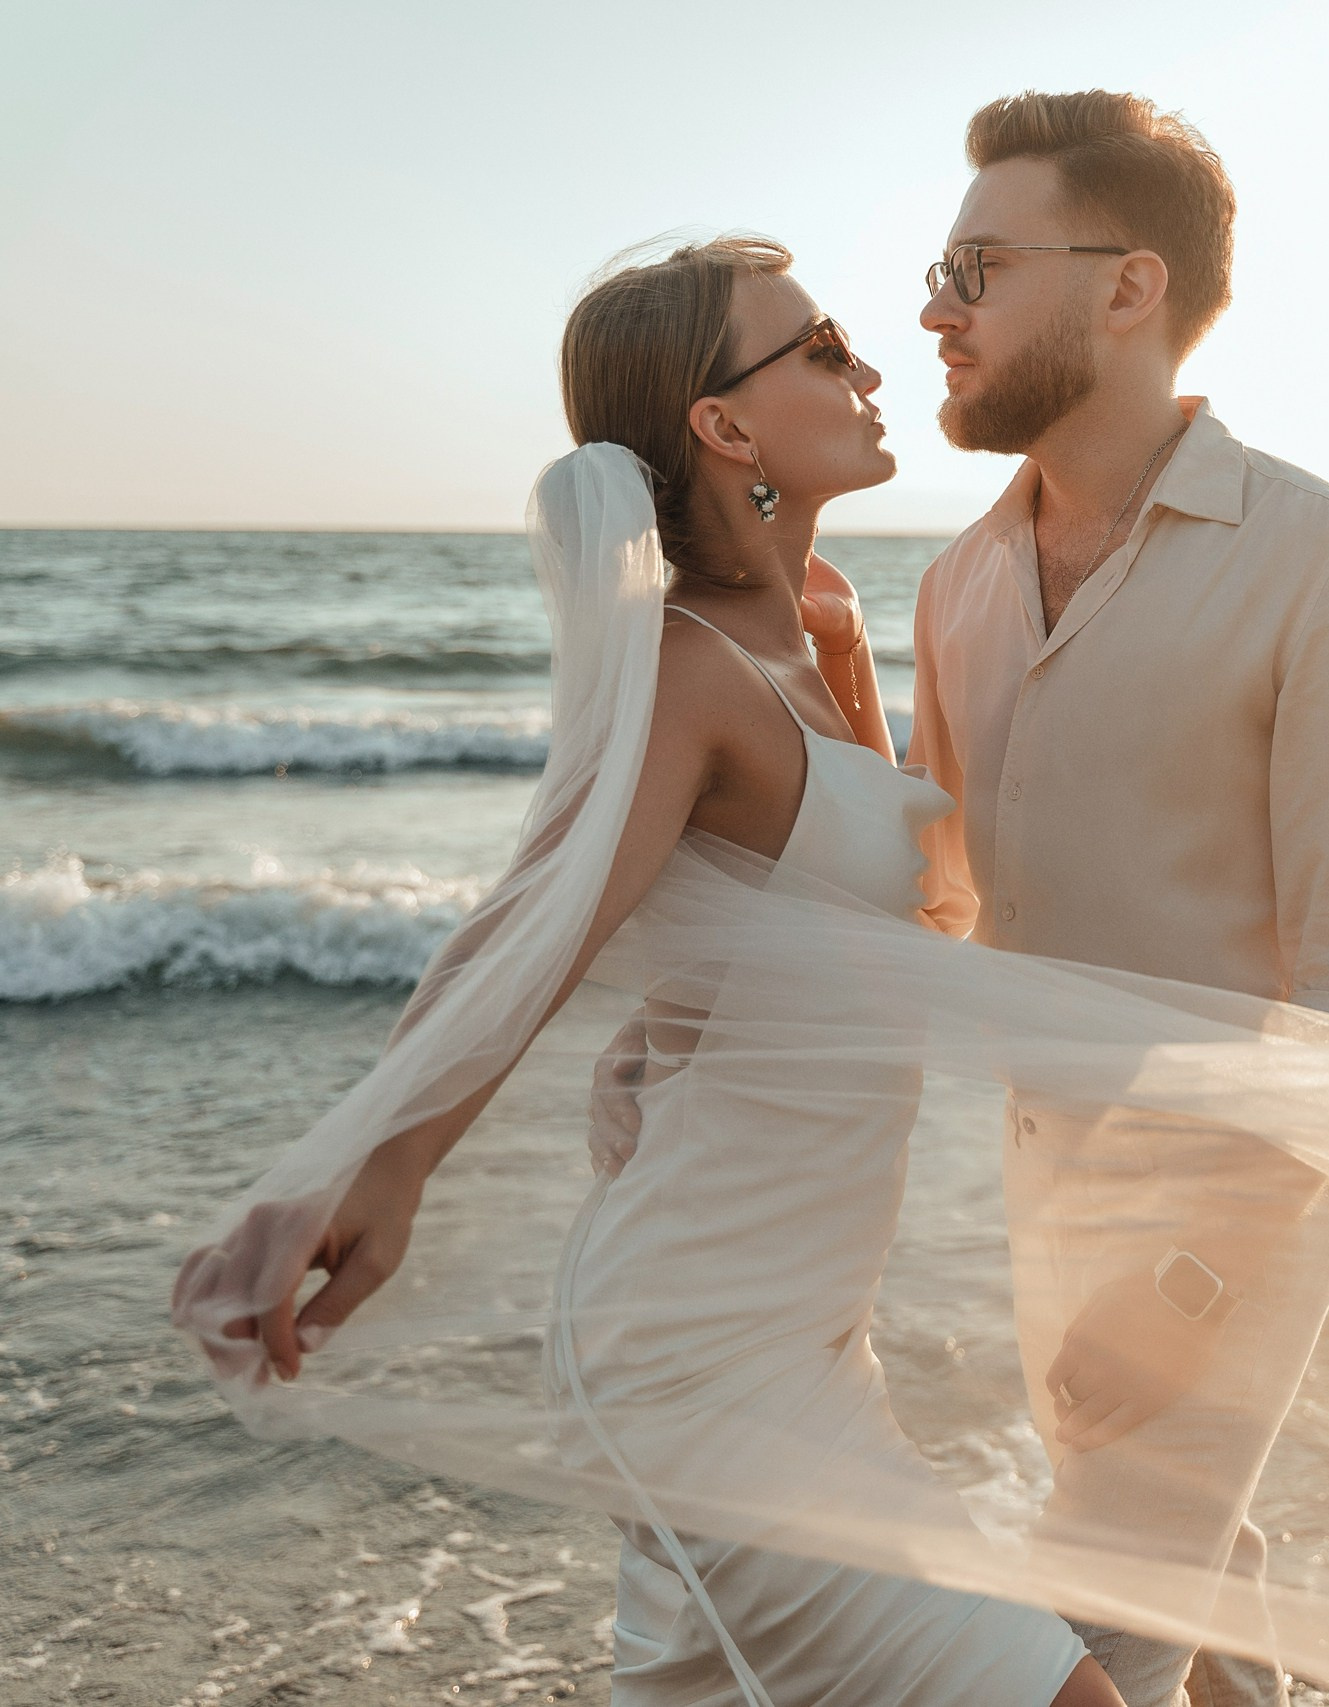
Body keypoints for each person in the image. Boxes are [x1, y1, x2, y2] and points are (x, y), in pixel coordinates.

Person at [174, 236, 1127, 1707]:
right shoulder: (691, 670)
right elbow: (532, 912)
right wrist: (376, 1161)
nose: (869, 368)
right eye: (818, 349)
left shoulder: (814, 646)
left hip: (808, 1328)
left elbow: (884, 933)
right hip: (700, 1351)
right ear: (724, 427)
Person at [908, 90, 1329, 1707]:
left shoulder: (1325, 564)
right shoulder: (956, 583)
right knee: (1198, 1613)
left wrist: (1189, 1286)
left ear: (1128, 289)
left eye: (980, 266)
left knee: (1084, 1647)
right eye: (940, 267)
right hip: (1043, 1188)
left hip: (1234, 1223)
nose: (937, 309)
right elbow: (933, 902)